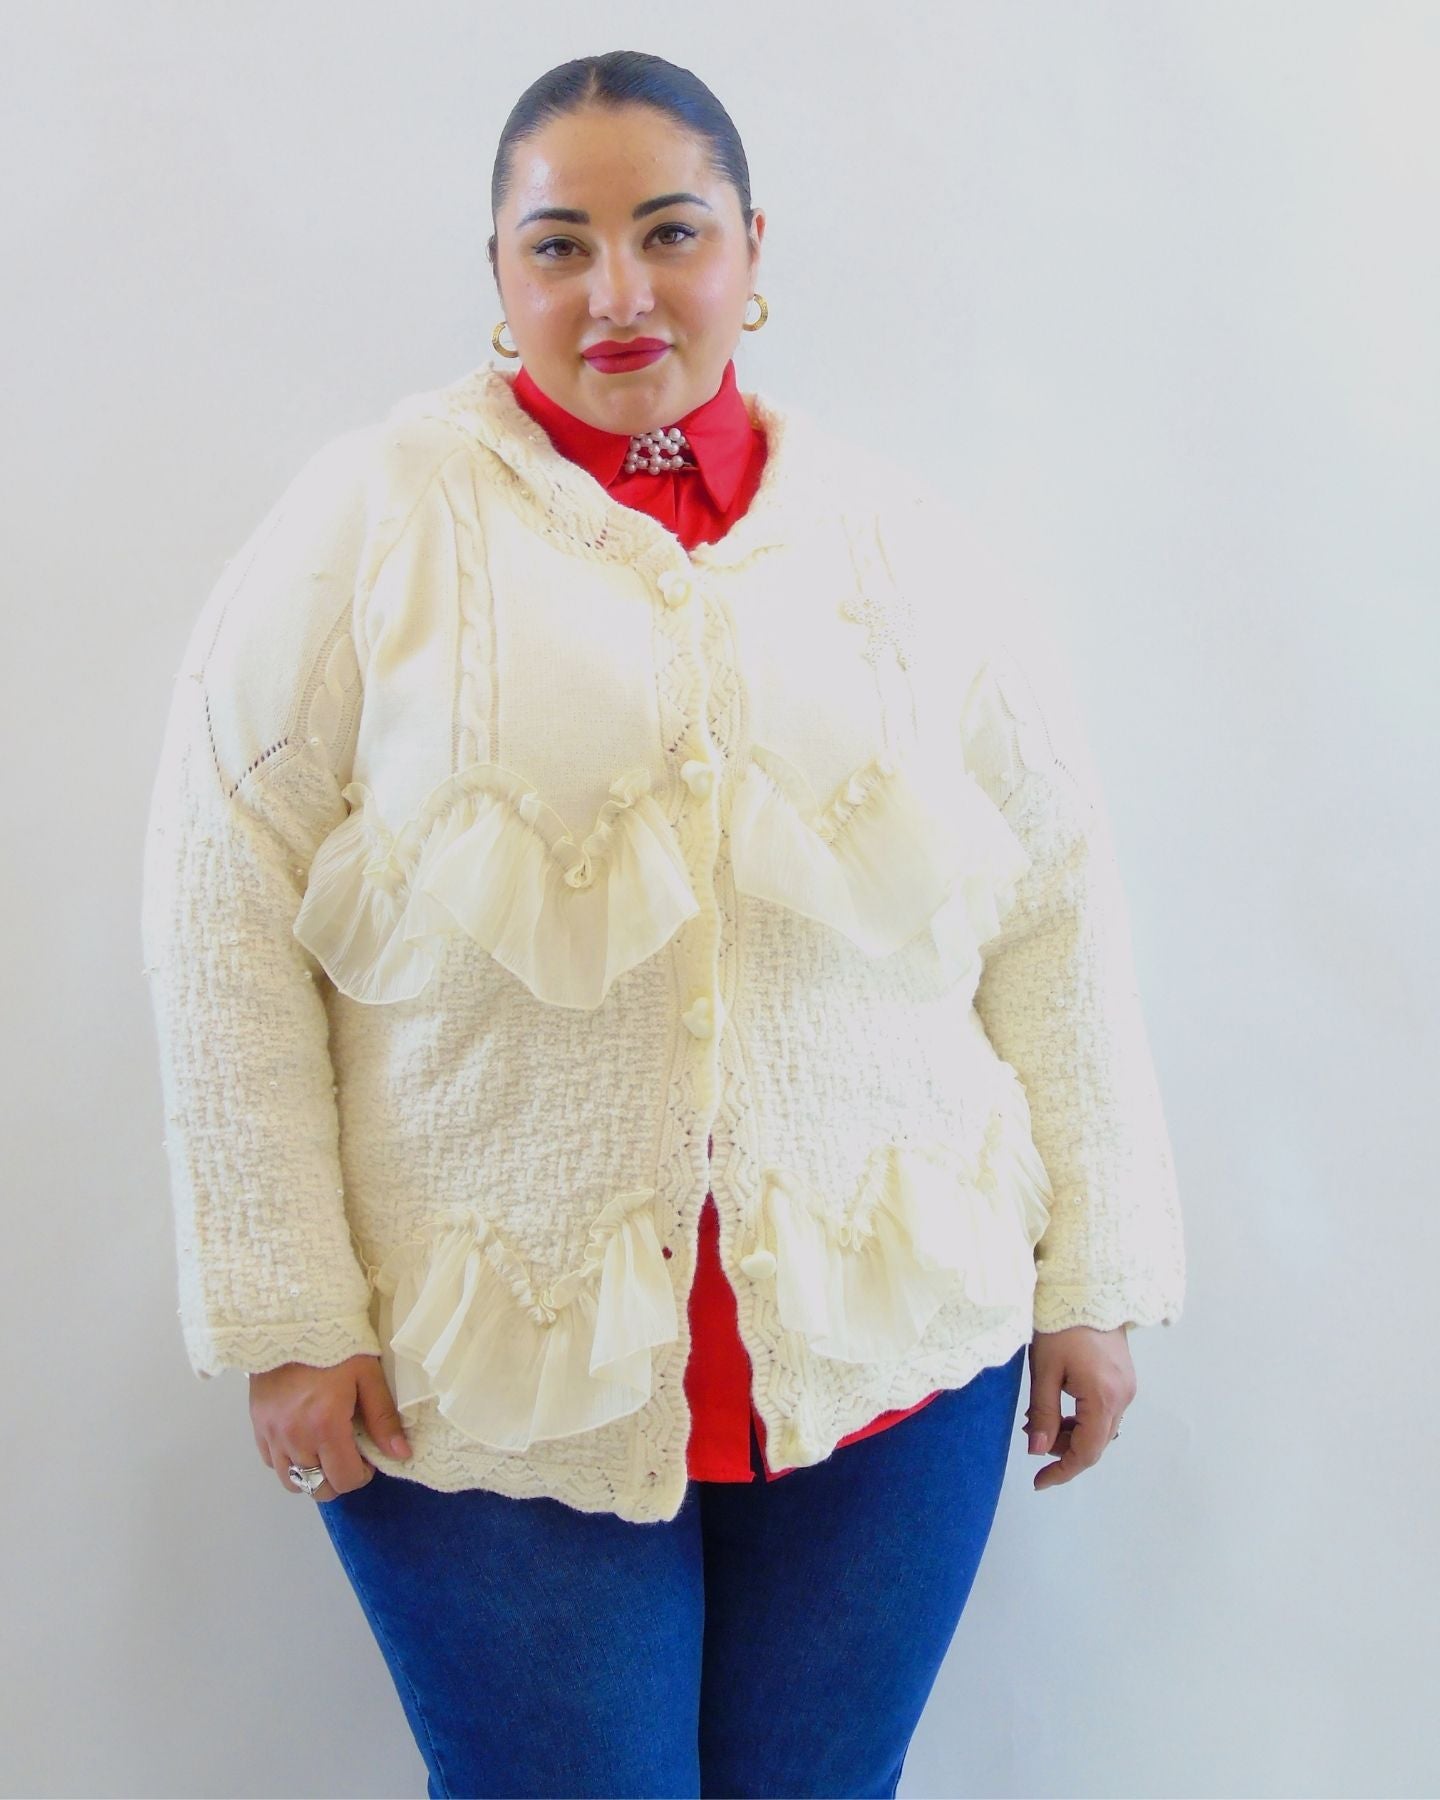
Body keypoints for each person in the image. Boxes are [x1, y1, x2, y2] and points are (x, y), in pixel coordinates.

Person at [140, 48, 1186, 1800]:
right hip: (480, 1374)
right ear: (498, 276)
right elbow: (218, 900)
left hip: (896, 1349)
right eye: (560, 246)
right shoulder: (371, 522)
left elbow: (1056, 901)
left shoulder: (901, 543)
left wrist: (1095, 1275)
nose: (617, 291)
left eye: (669, 232)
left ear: (752, 249)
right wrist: (287, 1307)